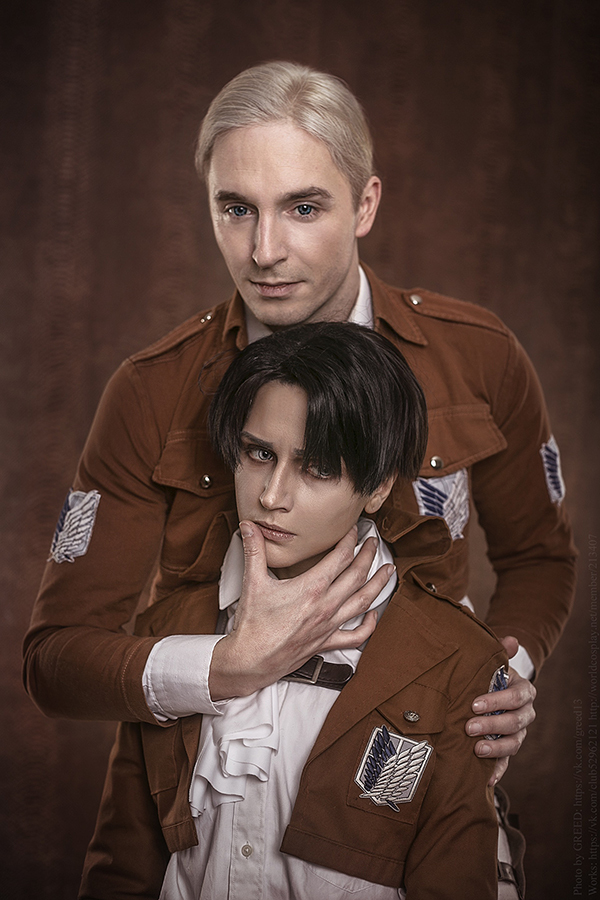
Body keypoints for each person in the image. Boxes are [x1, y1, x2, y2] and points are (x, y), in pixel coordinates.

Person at [24, 59, 574, 889]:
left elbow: (540, 557)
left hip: (411, 783)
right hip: (211, 788)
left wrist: (500, 676)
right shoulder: (151, 390)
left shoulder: (478, 357)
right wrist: (225, 667)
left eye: (304, 208)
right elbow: (56, 661)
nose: (265, 251)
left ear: (366, 204)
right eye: (236, 208)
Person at [82, 322, 509, 899]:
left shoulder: (458, 658)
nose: (271, 496)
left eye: (318, 468)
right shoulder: (171, 628)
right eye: (259, 453)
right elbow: (122, 870)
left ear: (379, 487)